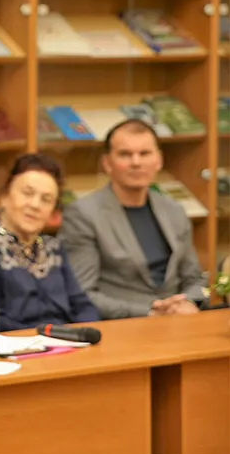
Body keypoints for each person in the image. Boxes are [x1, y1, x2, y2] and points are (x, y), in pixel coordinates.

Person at [60, 119, 207, 319]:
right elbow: (82, 293)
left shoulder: (174, 211)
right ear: (107, 163)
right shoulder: (83, 215)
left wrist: (188, 302)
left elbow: (195, 279)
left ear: (159, 160)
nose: (136, 162)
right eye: (125, 154)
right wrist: (149, 312)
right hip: (122, 326)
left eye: (144, 153)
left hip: (178, 322)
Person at [0, 154, 100, 331]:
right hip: (10, 343)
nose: (35, 205)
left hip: (64, 341)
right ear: (4, 197)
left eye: (46, 199)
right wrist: (46, 336)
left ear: (53, 211)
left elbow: (82, 306)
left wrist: (85, 333)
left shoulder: (53, 247)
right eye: (27, 193)